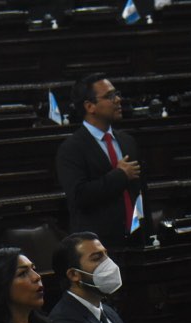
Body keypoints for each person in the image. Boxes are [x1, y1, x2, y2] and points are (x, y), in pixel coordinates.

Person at [56, 73, 142, 250]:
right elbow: (79, 196)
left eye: (116, 94)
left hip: (134, 241)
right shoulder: (71, 148)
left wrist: (146, 232)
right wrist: (119, 175)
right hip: (98, 247)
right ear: (90, 106)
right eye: (110, 96)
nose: (118, 99)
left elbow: (140, 191)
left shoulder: (127, 141)